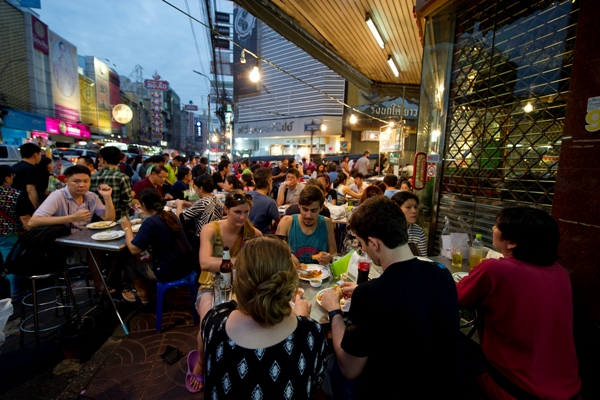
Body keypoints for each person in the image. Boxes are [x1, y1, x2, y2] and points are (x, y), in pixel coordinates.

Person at [321, 196, 459, 399]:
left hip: (388, 390)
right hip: (444, 388)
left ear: (374, 244)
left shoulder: (369, 295)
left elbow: (349, 368)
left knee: (325, 360)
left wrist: (334, 311)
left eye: (362, 245)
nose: (363, 250)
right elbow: (408, 299)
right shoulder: (441, 273)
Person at [456, 207, 581, 399]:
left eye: (497, 225)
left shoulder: (494, 269)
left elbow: (457, 297)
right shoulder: (560, 272)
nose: (492, 228)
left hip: (513, 388)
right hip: (569, 390)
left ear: (512, 242)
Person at [189, 235, 327, 396]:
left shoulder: (213, 321)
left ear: (237, 282)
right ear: (289, 284)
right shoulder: (312, 332)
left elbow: (204, 338)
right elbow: (316, 380)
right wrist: (302, 321)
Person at [29, 165, 115, 292]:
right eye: (76, 181)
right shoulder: (58, 196)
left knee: (108, 250)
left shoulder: (91, 196)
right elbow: (33, 222)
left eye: (86, 181)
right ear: (66, 181)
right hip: (59, 245)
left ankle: (104, 285)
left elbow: (109, 219)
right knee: (96, 250)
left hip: (82, 241)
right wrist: (71, 218)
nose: (82, 185)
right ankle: (99, 286)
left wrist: (107, 197)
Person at [120, 188, 193, 303]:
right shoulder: (170, 215)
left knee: (129, 258)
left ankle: (142, 293)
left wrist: (127, 227)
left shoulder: (149, 223)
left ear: (143, 205)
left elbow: (134, 249)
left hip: (171, 271)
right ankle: (150, 291)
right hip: (188, 265)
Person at [198, 190, 261, 292]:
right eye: (237, 212)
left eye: (246, 212)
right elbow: (205, 263)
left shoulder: (254, 234)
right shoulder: (211, 230)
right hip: (211, 284)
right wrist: (245, 262)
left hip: (242, 285)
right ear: (226, 209)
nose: (242, 217)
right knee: (210, 307)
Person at [276, 185, 336, 265]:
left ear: (321, 208)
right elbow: (275, 253)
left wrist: (330, 258)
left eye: (313, 211)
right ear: (299, 205)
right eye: (305, 209)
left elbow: (334, 254)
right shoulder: (286, 222)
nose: (308, 215)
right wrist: (288, 256)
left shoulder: (326, 223)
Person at [0, 165, 34, 301]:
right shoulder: (15, 194)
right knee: (12, 262)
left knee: (4, 260)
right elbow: (26, 218)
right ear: (7, 178)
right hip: (12, 234)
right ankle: (15, 293)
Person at [175, 175, 223, 252]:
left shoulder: (203, 201)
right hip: (215, 235)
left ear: (201, 188)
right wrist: (191, 205)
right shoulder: (215, 198)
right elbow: (206, 208)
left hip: (201, 238)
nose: (194, 189)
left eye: (195, 187)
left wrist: (179, 205)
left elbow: (180, 217)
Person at [90, 146, 134, 220]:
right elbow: (128, 202)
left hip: (97, 219)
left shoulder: (92, 177)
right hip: (118, 219)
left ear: (103, 160)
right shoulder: (122, 177)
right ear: (119, 160)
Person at [342, 185, 383, 253]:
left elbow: (348, 230)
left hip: (348, 249)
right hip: (365, 250)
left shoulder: (352, 211)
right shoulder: (377, 216)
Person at [390, 192, 427, 257]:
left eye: (415, 207)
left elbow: (424, 259)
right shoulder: (386, 230)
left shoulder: (418, 231)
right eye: (408, 207)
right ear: (396, 209)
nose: (414, 211)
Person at [247, 168, 280, 234]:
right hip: (263, 238)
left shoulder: (247, 195)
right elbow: (279, 224)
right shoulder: (270, 202)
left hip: (245, 235)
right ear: (269, 182)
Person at [11, 142, 42, 209]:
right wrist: (37, 207)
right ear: (35, 155)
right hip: (27, 204)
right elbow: (30, 190)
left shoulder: (14, 166)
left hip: (15, 201)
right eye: (40, 154)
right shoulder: (31, 168)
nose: (40, 157)